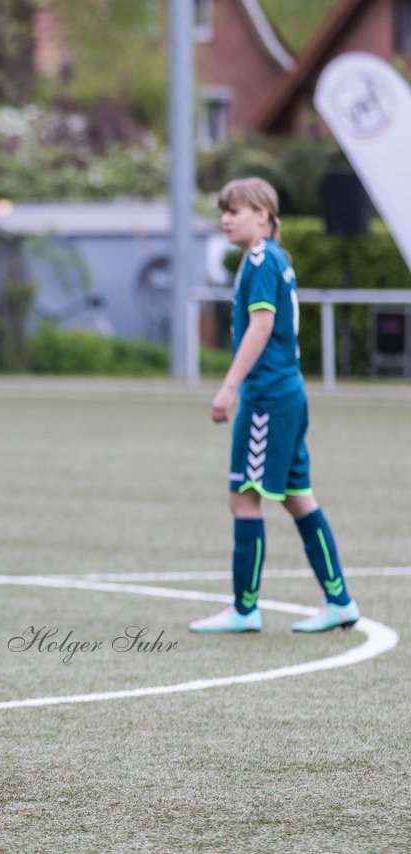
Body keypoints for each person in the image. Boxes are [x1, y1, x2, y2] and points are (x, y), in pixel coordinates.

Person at [190, 176, 359, 634]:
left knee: (243, 497)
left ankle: (245, 610)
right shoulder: (269, 258)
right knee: (296, 498)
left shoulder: (263, 259)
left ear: (262, 215)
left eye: (236, 210)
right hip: (287, 394)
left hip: (268, 399)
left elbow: (261, 327)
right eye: (223, 210)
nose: (226, 218)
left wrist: (229, 387)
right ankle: (339, 600)